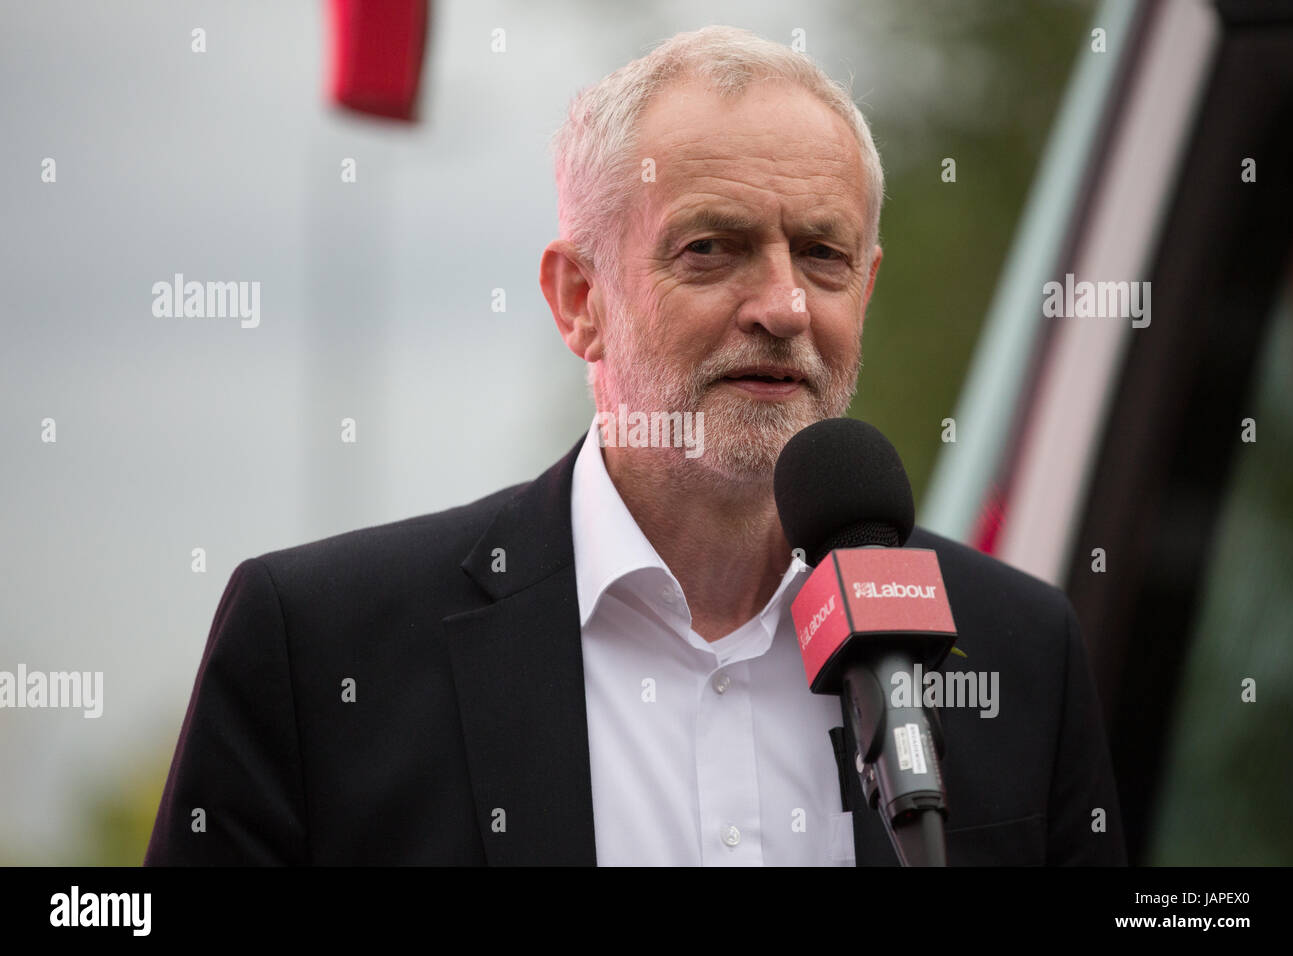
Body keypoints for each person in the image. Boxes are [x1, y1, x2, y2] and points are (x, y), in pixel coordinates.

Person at [144, 25, 1125, 866]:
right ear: (579, 299)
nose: (783, 306)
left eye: (821, 255)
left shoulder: (1017, 649)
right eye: (712, 248)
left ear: (861, 291)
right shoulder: (319, 650)